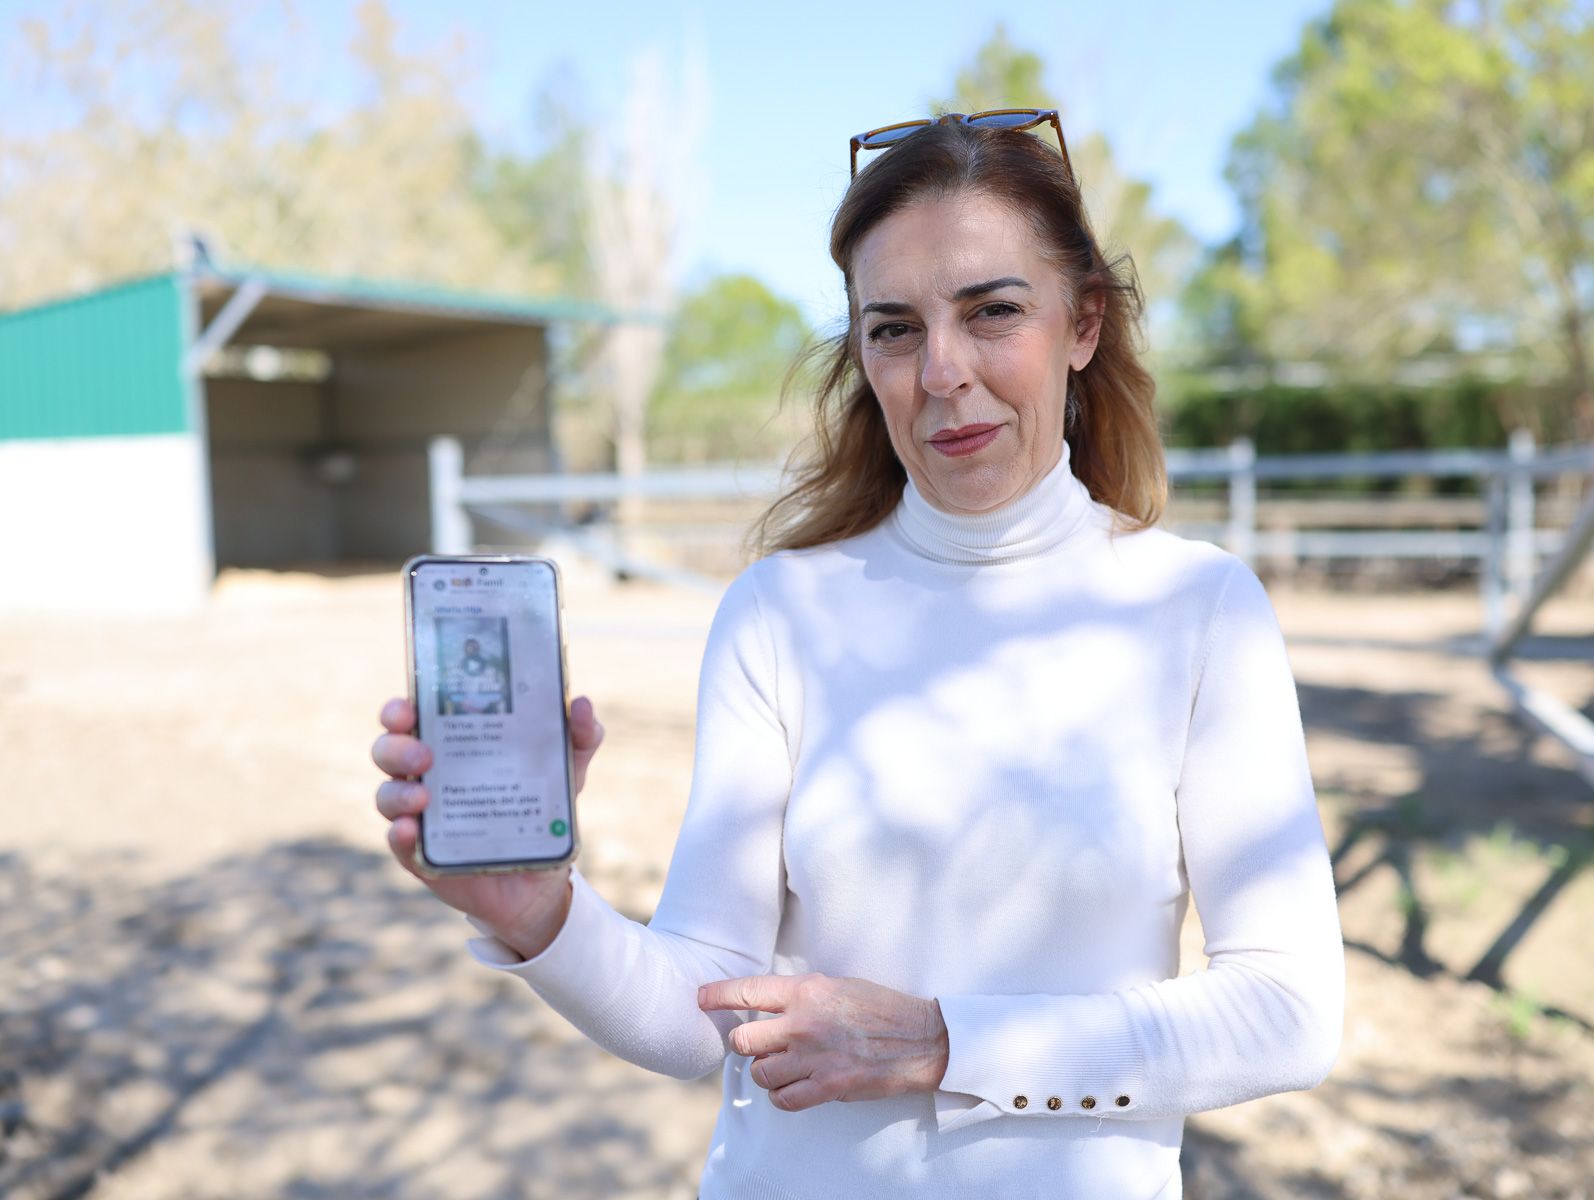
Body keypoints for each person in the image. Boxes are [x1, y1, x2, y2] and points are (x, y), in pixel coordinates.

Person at [371, 110, 1343, 1199]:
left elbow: (1289, 1011)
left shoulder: (1198, 608)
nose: (942, 372)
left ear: (1084, 324)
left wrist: (940, 1043)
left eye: (994, 312)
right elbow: (705, 1013)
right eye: (894, 328)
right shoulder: (778, 612)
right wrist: (541, 916)